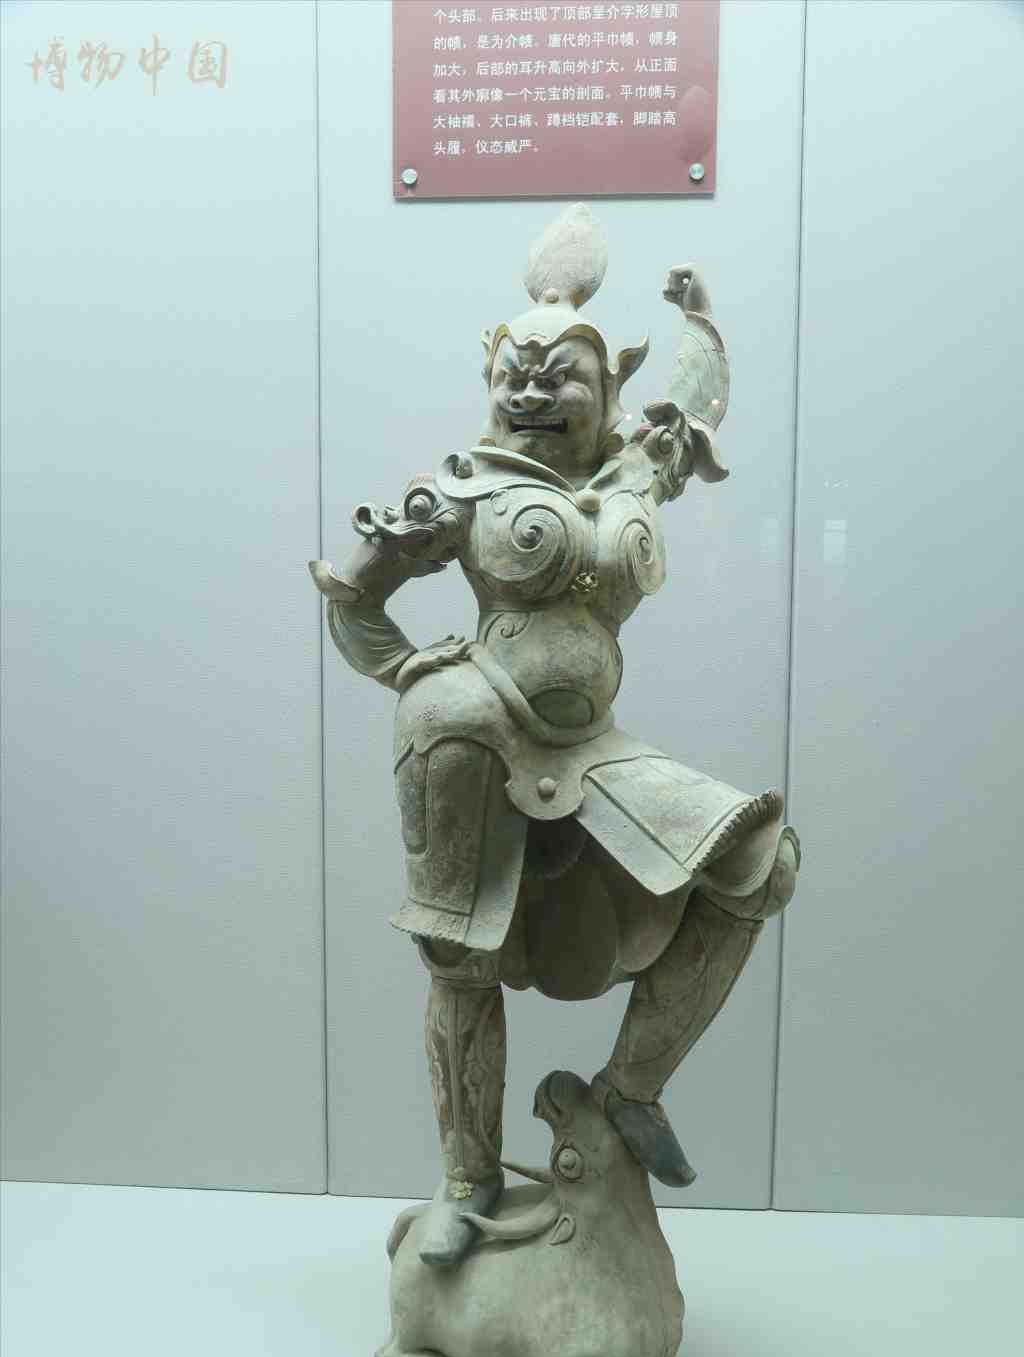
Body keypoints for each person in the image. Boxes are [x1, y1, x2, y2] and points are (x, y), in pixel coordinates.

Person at [311, 206, 799, 1266]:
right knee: (460, 956)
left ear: (607, 390)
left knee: (758, 863)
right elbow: (353, 594)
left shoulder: (633, 477)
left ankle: (628, 1091)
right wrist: (408, 669)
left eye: (561, 375)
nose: (533, 391)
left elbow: (691, 413)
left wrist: (701, 323)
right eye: (515, 374)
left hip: (595, 752)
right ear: (488, 379)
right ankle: (466, 1180)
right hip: (477, 736)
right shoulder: (464, 490)